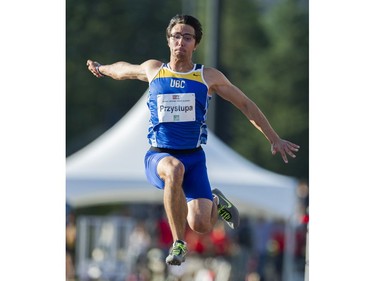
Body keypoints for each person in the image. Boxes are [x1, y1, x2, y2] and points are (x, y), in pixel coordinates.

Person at [86, 14, 300, 266]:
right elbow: (123, 70)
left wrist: (273, 138)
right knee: (174, 169)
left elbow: (245, 104)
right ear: (168, 41)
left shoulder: (208, 77)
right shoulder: (154, 70)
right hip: (159, 155)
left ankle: (215, 200)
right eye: (176, 36)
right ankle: (178, 243)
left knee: (200, 224)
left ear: (195, 44)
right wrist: (101, 68)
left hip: (194, 158)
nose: (181, 42)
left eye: (187, 38)